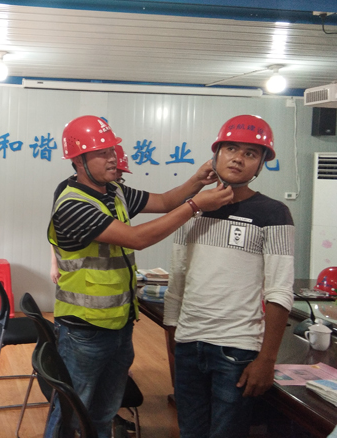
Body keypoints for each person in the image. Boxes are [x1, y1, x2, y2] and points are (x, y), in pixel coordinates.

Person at [46, 115, 233, 438]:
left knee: (104, 413)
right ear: (78, 161)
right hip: (84, 330)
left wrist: (196, 181)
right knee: (70, 415)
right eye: (102, 153)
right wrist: (195, 206)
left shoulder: (114, 191)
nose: (112, 158)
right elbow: (137, 238)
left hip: (119, 324)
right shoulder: (73, 204)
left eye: (112, 150)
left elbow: (163, 202)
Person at [163, 115, 294, 438]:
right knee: (190, 432)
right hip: (189, 342)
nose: (238, 158)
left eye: (251, 153)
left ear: (261, 164)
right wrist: (173, 335)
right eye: (231, 149)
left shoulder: (274, 213)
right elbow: (177, 276)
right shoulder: (192, 209)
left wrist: (267, 359)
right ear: (216, 154)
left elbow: (279, 290)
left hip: (236, 349)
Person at [50, 143, 131, 284]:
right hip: (84, 280)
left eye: (119, 178)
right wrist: (54, 264)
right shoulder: (69, 196)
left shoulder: (115, 192)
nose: (115, 181)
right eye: (114, 174)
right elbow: (57, 234)